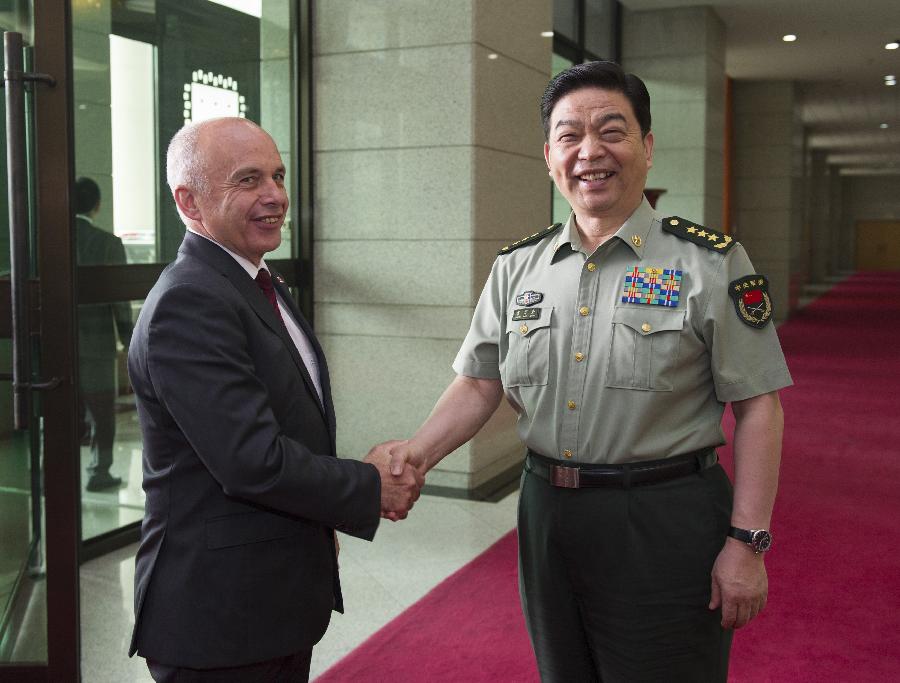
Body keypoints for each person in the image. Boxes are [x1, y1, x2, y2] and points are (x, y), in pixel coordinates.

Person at [381, 61, 792, 681]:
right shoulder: (518, 267)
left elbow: (759, 405)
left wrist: (748, 541)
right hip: (548, 512)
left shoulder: (710, 262)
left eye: (612, 131)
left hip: (664, 516)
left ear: (647, 147)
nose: (590, 152)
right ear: (549, 155)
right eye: (569, 135)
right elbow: (478, 381)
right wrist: (413, 457)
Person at [127, 117, 422, 682]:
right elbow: (251, 459)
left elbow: (289, 423)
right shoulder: (191, 301)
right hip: (219, 619)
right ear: (189, 200)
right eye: (248, 180)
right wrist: (365, 485)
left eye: (278, 176)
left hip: (268, 600)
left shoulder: (255, 280)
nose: (276, 196)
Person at [75, 177, 133, 492]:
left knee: (57, 412)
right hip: (97, 344)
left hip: (58, 344)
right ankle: (99, 472)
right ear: (97, 205)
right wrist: (129, 339)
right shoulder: (108, 243)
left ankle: (51, 473)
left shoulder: (48, 240)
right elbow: (119, 299)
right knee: (102, 413)